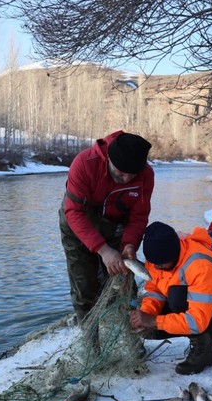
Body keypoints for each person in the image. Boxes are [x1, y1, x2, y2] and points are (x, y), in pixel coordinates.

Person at [59, 130, 154, 322]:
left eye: (132, 175)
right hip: (77, 225)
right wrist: (103, 250)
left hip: (115, 225)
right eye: (121, 172)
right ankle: (92, 345)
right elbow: (73, 212)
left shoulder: (146, 175)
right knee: (85, 288)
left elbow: (138, 217)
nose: (126, 179)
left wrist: (129, 245)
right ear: (109, 158)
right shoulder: (85, 163)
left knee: (125, 284)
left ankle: (131, 340)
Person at [129, 221, 212, 375]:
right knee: (151, 330)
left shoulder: (200, 264)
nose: (156, 268)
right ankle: (209, 336)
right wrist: (147, 313)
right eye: (153, 264)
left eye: (161, 264)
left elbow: (196, 322)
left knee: (177, 297)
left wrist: (154, 321)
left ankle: (204, 351)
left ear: (174, 253)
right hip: (199, 303)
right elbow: (155, 290)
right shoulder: (157, 259)